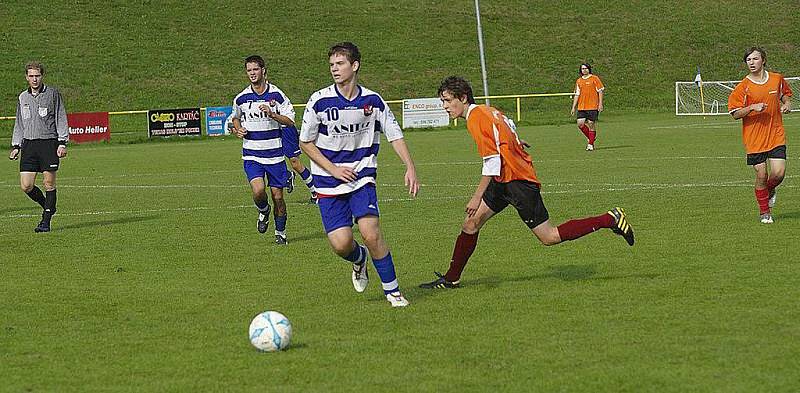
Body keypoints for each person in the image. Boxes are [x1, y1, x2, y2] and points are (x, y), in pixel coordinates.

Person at [420, 76, 634, 289]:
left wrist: (476, 197)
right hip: (503, 180)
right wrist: (514, 143)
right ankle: (451, 278)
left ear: (463, 97)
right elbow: (508, 125)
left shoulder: (477, 118)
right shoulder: (486, 111)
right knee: (470, 224)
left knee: (549, 236)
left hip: (518, 182)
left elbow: (492, 161)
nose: (445, 107)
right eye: (443, 102)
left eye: (448, 101)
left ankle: (610, 219)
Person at [300, 42, 419, 307]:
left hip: (361, 175)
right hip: (328, 181)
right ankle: (359, 259)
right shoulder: (319, 100)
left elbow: (394, 134)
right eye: (331, 65)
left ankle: (393, 291)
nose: (334, 69)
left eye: (340, 64)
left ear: (354, 66)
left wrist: (409, 166)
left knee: (371, 232)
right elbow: (305, 143)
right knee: (342, 245)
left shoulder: (373, 101)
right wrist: (333, 169)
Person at [230, 55, 293, 244]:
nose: (252, 73)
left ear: (264, 71)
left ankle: (280, 233)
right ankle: (264, 211)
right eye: (249, 70)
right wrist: (237, 129)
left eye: (255, 69)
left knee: (278, 197)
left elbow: (289, 121)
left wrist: (273, 114)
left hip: (275, 155)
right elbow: (235, 118)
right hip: (252, 154)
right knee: (258, 191)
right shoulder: (241, 98)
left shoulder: (277, 95)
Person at [728, 47, 792, 224]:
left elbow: (785, 94)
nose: (751, 62)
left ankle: (768, 191)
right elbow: (734, 113)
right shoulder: (743, 87)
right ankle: (765, 212)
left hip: (775, 134)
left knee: (778, 173)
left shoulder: (776, 79)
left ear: (763, 60)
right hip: (754, 138)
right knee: (762, 175)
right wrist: (751, 108)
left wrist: (786, 104)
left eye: (755, 59)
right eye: (748, 60)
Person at [9, 61, 68, 233]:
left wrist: (62, 142)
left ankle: (46, 221)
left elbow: (61, 118)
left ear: (42, 76)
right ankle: (48, 205)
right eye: (31, 76)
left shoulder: (53, 94)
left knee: (49, 183)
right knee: (26, 186)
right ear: (26, 77)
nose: (35, 79)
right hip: (29, 145)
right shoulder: (22, 97)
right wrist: (16, 145)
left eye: (38, 76)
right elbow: (19, 124)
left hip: (48, 144)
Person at [570, 63, 605, 151]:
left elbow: (600, 91)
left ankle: (590, 144)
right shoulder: (579, 81)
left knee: (591, 124)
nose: (584, 70)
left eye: (586, 68)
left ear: (589, 69)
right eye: (582, 69)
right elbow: (577, 94)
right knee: (580, 124)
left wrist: (600, 104)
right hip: (582, 106)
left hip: (592, 105)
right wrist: (573, 107)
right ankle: (591, 137)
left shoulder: (595, 78)